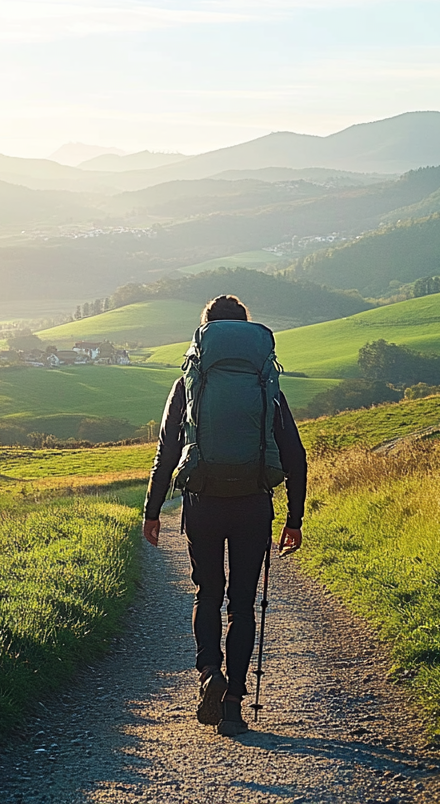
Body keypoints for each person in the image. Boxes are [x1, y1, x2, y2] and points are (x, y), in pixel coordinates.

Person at [142, 294, 307, 737]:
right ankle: (233, 705)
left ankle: (208, 673)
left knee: (208, 593)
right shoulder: (265, 386)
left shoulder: (190, 384)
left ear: (206, 334)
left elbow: (167, 453)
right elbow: (295, 455)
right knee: (243, 604)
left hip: (204, 503)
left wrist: (152, 511)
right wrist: (295, 518)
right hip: (254, 505)